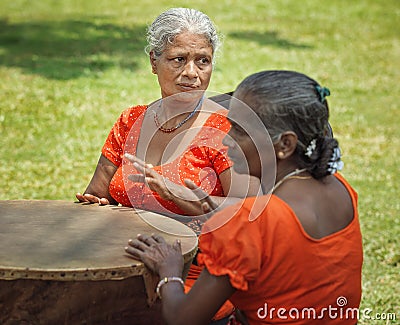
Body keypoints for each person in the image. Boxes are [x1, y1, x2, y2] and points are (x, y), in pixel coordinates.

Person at [125, 70, 363, 324]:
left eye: (239, 130)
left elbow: (183, 319)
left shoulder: (247, 222)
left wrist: (169, 271)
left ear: (285, 145)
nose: (225, 140)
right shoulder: (341, 190)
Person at [76, 8, 259, 323]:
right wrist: (99, 203)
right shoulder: (130, 121)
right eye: (178, 59)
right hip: (121, 267)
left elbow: (251, 213)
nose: (192, 73)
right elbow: (97, 193)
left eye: (203, 60)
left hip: (196, 277)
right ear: (153, 62)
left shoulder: (224, 131)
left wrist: (180, 197)